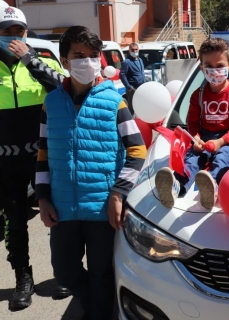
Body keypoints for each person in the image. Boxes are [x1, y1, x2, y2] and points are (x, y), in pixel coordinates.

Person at [35, 26, 146, 320]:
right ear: (64, 61)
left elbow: (137, 151)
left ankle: (96, 314)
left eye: (93, 55)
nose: (87, 61)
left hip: (102, 210)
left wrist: (118, 193)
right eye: (78, 56)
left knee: (102, 274)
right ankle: (90, 304)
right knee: (65, 272)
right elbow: (43, 154)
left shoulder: (114, 102)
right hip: (62, 209)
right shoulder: (51, 103)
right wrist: (43, 199)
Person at [0, 6, 69, 310]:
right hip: (5, 162)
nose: (14, 37)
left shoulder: (40, 63)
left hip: (41, 157)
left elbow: (65, 88)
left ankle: (66, 272)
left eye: (20, 31)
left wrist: (30, 60)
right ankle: (23, 279)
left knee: (58, 215)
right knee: (15, 222)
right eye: (7, 32)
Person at [154, 38, 229, 210]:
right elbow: (192, 121)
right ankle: (177, 186)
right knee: (191, 159)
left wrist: (220, 142)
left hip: (227, 140)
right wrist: (196, 138)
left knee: (222, 159)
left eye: (219, 65)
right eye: (209, 66)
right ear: (202, 68)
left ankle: (211, 187)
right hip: (204, 137)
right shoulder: (197, 95)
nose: (214, 71)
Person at [120, 42, 145, 113]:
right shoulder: (127, 62)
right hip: (132, 89)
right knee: (132, 108)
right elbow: (122, 75)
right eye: (133, 50)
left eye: (136, 49)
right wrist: (128, 87)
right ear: (129, 51)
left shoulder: (140, 60)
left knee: (141, 107)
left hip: (142, 87)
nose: (135, 51)